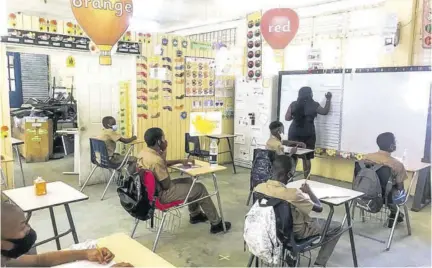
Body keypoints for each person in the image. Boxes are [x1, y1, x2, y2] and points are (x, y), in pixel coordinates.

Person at [137, 127, 231, 234]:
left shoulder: (144, 153)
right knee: (199, 188)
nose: (165, 140)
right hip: (162, 195)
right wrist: (165, 151)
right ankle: (216, 224)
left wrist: (180, 161)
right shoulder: (156, 160)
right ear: (159, 141)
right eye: (163, 138)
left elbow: (162, 164)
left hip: (150, 194)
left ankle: (195, 215)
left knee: (190, 181)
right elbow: (167, 184)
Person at [254, 155, 342, 267]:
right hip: (293, 233)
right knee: (337, 227)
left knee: (293, 214)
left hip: (269, 229)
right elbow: (319, 208)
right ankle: (319, 264)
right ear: (289, 175)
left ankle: (291, 254)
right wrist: (309, 191)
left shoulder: (259, 188)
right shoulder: (293, 194)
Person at [1, 202, 132, 267]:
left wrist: (86, 253)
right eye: (22, 227)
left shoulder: (4, 254)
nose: (28, 230)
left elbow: (39, 260)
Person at [285, 87, 332, 179]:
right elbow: (325, 111)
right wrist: (328, 99)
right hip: (308, 132)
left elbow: (287, 118)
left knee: (293, 155)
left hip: (294, 132)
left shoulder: (294, 104)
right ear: (310, 94)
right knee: (306, 157)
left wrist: (296, 116)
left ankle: (289, 177)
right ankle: (307, 179)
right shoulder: (314, 105)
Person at [364, 132, 408, 227]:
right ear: (392, 146)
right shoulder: (397, 164)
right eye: (395, 141)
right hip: (385, 197)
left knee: (387, 188)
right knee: (396, 192)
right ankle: (395, 214)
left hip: (366, 192)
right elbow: (400, 188)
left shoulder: (367, 157)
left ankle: (396, 215)